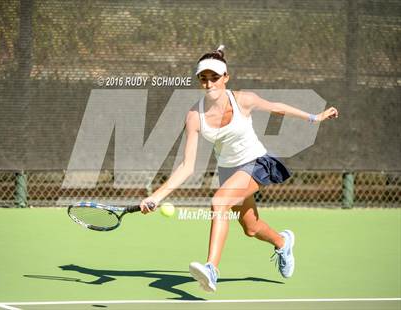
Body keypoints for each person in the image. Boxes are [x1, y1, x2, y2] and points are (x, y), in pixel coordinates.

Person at [140, 45, 338, 292]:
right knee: (251, 228)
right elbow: (187, 165)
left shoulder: (244, 99)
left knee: (219, 202)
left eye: (214, 78)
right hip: (229, 171)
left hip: (255, 162)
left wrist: (314, 118)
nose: (209, 84)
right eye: (203, 79)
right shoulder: (194, 116)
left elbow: (277, 107)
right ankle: (282, 242)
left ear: (226, 78)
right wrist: (157, 196)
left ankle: (211, 268)